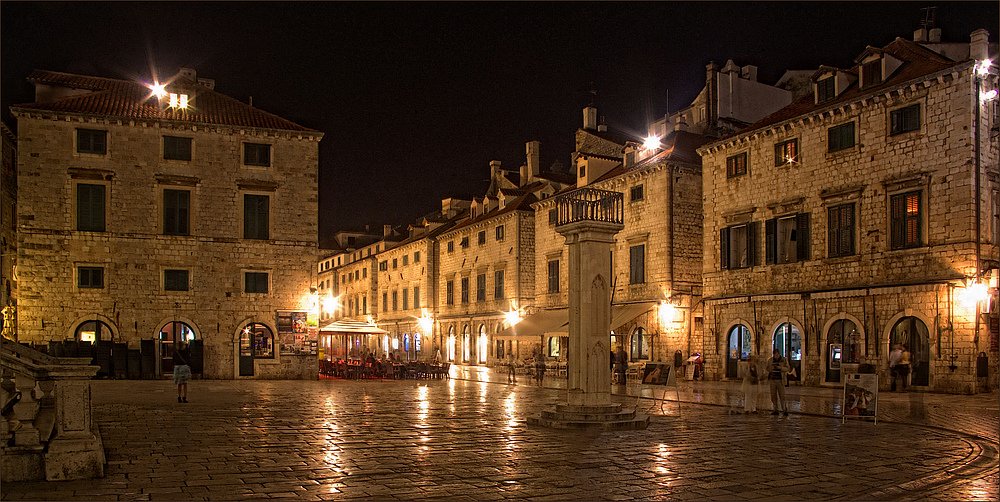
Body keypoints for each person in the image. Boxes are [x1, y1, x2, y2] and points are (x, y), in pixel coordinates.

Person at [767, 349, 789, 416]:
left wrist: (780, 368)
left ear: (779, 354)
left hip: (780, 380)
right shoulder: (770, 360)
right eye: (774, 354)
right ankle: (775, 409)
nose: (776, 356)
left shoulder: (784, 359)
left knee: (782, 395)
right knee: (773, 395)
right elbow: (767, 368)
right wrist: (771, 369)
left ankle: (784, 409)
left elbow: (787, 368)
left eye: (777, 354)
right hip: (772, 380)